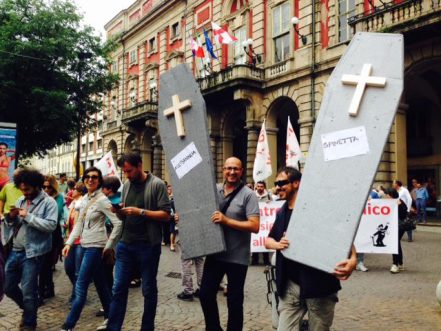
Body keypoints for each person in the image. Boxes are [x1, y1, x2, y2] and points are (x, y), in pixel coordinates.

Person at [265, 166, 357, 331]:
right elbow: (269, 239)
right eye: (276, 183)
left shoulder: (318, 208)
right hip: (290, 285)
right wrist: (277, 245)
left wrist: (353, 259)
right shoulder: (281, 212)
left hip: (319, 284)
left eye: (282, 183)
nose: (277, 187)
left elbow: (342, 236)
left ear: (297, 183)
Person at [103, 152, 170, 331]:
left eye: (130, 171)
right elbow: (125, 213)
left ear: (140, 165)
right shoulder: (126, 185)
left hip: (148, 245)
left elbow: (166, 215)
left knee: (148, 290)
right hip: (125, 244)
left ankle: (147, 327)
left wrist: (141, 212)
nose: (127, 175)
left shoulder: (157, 184)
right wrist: (119, 211)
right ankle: (113, 327)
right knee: (118, 289)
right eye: (124, 172)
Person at [199, 157, 260, 331]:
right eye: (228, 168)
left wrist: (226, 221)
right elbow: (202, 213)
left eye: (236, 169)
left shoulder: (249, 195)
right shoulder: (215, 190)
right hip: (215, 254)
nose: (232, 172)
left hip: (237, 257)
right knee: (205, 295)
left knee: (234, 301)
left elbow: (254, 226)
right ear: (223, 170)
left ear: (241, 171)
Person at [61, 167, 122, 331]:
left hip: (96, 247)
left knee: (81, 285)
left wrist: (108, 247)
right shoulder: (86, 199)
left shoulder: (102, 200)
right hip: (84, 244)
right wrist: (68, 243)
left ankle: (68, 325)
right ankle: (111, 318)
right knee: (101, 284)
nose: (90, 179)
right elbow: (79, 224)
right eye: (87, 177)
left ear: (99, 180)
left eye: (94, 177)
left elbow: (118, 223)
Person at [3, 168, 58, 330]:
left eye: (27, 189)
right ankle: (28, 309)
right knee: (8, 287)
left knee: (28, 291)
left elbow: (51, 225)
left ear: (36, 186)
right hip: (16, 250)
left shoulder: (49, 203)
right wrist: (11, 218)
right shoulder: (20, 200)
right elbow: (12, 225)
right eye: (21, 189)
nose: (24, 192)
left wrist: (28, 216)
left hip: (33, 253)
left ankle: (29, 322)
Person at [38, 175, 66, 305]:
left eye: (49, 186)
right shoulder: (39, 197)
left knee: (46, 263)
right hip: (41, 232)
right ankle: (48, 288)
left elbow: (57, 212)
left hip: (53, 233)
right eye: (44, 186)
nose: (46, 189)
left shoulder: (58, 198)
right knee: (43, 264)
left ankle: (42, 291)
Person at [63, 182, 87, 305]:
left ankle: (77, 296)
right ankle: (79, 289)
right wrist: (66, 224)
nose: (72, 191)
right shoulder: (73, 204)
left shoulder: (83, 203)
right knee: (68, 268)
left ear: (81, 192)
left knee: (78, 270)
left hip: (81, 241)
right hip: (71, 240)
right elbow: (71, 221)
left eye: (75, 189)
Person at [383, 188, 408, 274]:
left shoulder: (399, 202)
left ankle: (395, 264)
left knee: (395, 244)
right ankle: (400, 263)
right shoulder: (388, 203)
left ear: (391, 195)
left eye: (386, 195)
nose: (385, 197)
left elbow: (404, 215)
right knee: (396, 244)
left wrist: (399, 206)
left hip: (399, 227)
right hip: (393, 227)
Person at [252, 181, 271, 265]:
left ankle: (266, 260)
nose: (260, 188)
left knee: (264, 239)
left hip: (265, 222)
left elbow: (273, 205)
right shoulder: (252, 195)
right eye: (258, 186)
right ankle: (254, 260)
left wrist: (270, 204)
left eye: (261, 186)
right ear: (256, 187)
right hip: (256, 220)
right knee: (256, 239)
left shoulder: (269, 196)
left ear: (264, 187)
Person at [167, 185, 177, 252]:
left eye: (171, 189)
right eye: (169, 189)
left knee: (175, 231)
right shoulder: (166, 197)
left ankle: (173, 242)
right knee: (172, 231)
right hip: (171, 216)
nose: (170, 190)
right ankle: (171, 244)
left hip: (176, 215)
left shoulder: (174, 196)